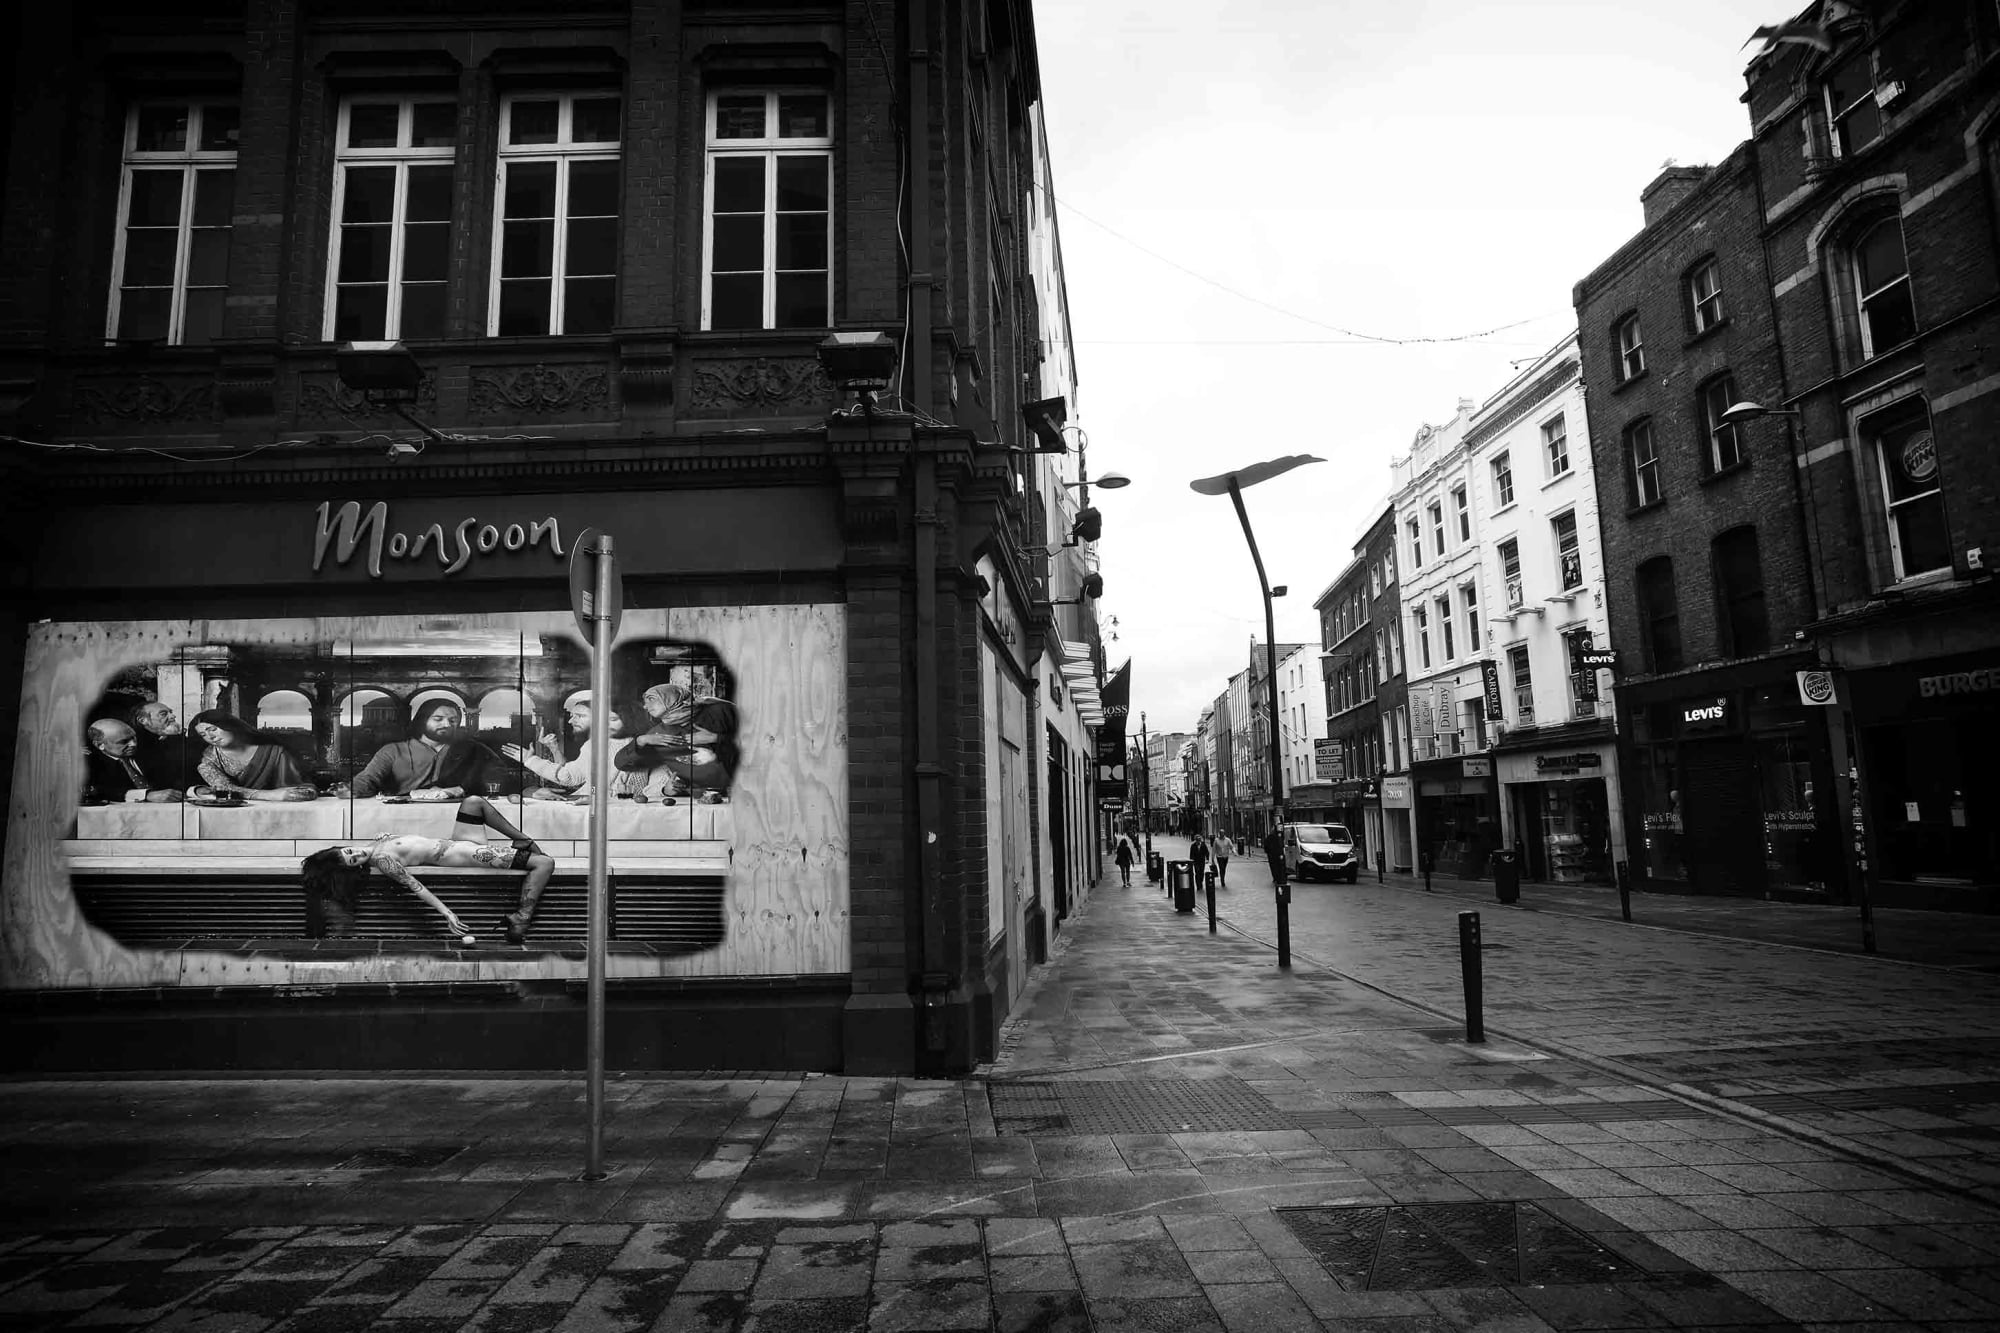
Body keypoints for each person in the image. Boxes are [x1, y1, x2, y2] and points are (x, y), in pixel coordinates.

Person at [298, 795, 555, 943]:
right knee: (544, 863)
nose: (357, 853)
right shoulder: (384, 861)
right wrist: (447, 913)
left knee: (474, 802)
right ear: (354, 869)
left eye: (348, 851)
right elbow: (415, 887)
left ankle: (522, 840)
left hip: (458, 842)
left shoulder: (372, 846)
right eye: (354, 860)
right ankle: (521, 917)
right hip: (469, 855)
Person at [349, 699, 509, 799]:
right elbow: (368, 779)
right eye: (438, 719)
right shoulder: (392, 751)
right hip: (405, 817)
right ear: (422, 720)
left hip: (456, 814)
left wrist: (462, 788)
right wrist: (351, 789)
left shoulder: (473, 749)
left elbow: (498, 776)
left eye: (453, 720)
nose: (447, 724)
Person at [625, 683, 739, 801]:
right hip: (697, 800)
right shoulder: (657, 733)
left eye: (651, 699)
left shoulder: (720, 711)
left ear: (672, 697)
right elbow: (622, 763)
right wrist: (640, 740)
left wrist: (717, 738)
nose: (645, 706)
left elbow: (756, 745)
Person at [188, 710, 317, 801]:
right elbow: (225, 788)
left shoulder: (274, 751)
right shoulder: (207, 760)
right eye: (203, 735)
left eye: (213, 729)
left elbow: (301, 789)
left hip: (279, 809)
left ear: (229, 725)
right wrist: (271, 796)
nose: (210, 737)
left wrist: (297, 794)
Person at [83, 719, 184, 803]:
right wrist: (146, 795)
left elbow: (176, 779)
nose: (133, 744)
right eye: (124, 742)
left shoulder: (151, 753)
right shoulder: (89, 764)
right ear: (99, 745)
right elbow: (99, 791)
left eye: (134, 738)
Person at [132, 701, 205, 791]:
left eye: (171, 712)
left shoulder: (178, 739)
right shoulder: (135, 745)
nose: (172, 716)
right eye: (163, 714)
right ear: (143, 720)